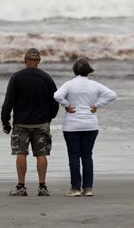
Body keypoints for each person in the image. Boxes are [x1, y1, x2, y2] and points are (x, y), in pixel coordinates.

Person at [54, 58, 117, 197]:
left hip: (72, 125)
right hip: (90, 124)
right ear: (88, 71)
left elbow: (57, 95)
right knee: (87, 156)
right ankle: (88, 188)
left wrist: (66, 105)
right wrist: (97, 105)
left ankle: (75, 188)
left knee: (74, 156)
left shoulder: (69, 84)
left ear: (74, 70)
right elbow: (112, 95)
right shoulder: (94, 85)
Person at [1, 48, 59, 196]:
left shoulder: (17, 77)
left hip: (21, 124)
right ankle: (42, 187)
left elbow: (8, 101)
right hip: (41, 123)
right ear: (38, 61)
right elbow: (55, 101)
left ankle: (21, 187)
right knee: (41, 154)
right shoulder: (46, 78)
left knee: (21, 153)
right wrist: (49, 118)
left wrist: (5, 121)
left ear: (25, 60)